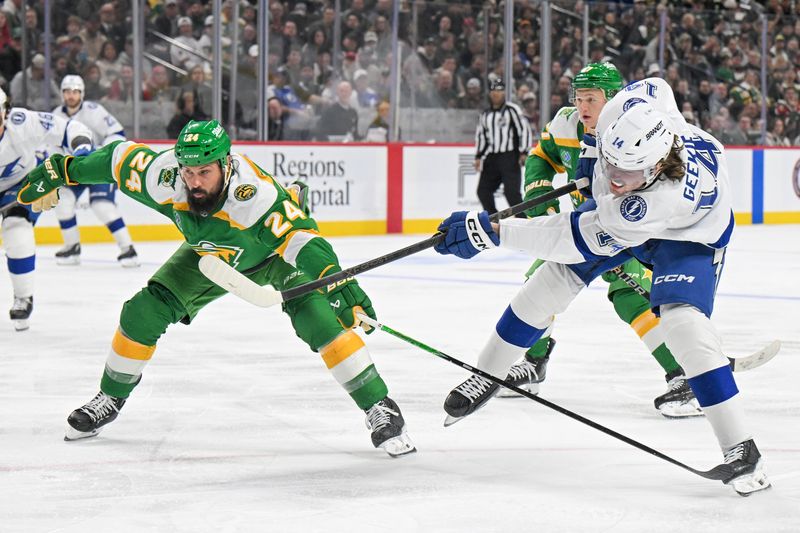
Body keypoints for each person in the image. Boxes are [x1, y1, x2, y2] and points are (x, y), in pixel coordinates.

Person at [433, 81, 770, 496]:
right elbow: (658, 86)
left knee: (683, 324)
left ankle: (742, 447)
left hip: (690, 237)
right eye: (609, 162)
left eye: (623, 173)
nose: (611, 179)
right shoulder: (629, 114)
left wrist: (492, 232)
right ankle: (487, 372)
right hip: (633, 212)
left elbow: (566, 237)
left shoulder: (650, 201)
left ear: (656, 168)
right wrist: (595, 156)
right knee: (548, 284)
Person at [17, 120, 416, 458]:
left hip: (274, 257)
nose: (194, 181)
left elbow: (302, 241)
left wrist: (339, 283)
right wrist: (63, 169)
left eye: (204, 172)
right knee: (141, 311)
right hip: (211, 254)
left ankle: (379, 405)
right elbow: (118, 159)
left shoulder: (254, 198)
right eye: (188, 171)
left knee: (317, 319)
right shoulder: (167, 176)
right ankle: (110, 397)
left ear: (226, 163)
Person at [503, 63, 702, 418]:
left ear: (612, 99)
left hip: (628, 231)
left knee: (631, 299)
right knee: (540, 283)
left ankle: (684, 376)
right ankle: (535, 363)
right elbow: (541, 157)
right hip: (583, 230)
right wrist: (542, 200)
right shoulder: (565, 124)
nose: (583, 108)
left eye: (592, 99)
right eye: (579, 98)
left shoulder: (637, 127)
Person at [0, 88, 92, 331]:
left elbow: (69, 129)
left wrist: (81, 150)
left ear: (6, 114)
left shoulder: (23, 123)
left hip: (22, 184)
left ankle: (23, 296)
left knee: (16, 225)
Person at [51, 75, 139, 267]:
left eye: (75, 92)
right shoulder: (56, 114)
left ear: (81, 93)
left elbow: (117, 134)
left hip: (98, 165)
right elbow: (52, 144)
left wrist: (101, 153)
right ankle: (71, 248)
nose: (71, 96)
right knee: (63, 201)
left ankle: (128, 249)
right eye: (67, 92)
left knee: (102, 205)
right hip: (73, 167)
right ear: (62, 94)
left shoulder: (94, 111)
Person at [474, 77, 533, 216]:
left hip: (510, 157)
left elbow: (524, 130)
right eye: (493, 91)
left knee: (512, 194)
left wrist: (523, 152)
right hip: (492, 158)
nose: (496, 94)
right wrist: (478, 156)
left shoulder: (512, 110)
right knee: (483, 191)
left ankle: (524, 222)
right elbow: (482, 136)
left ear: (504, 93)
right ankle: (494, 220)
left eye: (499, 91)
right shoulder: (485, 114)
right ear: (490, 93)